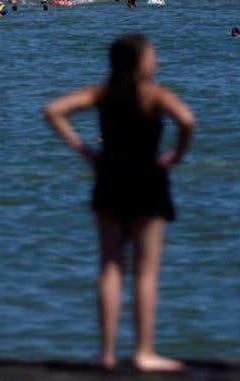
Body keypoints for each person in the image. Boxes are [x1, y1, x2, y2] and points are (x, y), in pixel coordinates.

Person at [42, 34, 195, 372]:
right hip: (148, 179)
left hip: (109, 176)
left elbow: (53, 110)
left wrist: (84, 151)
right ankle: (143, 352)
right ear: (141, 62)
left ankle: (107, 353)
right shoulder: (153, 94)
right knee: (145, 271)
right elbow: (186, 120)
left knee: (110, 265)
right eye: (152, 55)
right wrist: (176, 155)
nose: (156, 59)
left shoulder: (102, 93)